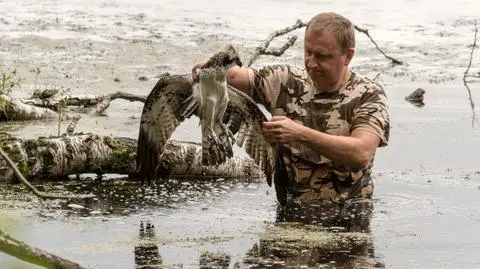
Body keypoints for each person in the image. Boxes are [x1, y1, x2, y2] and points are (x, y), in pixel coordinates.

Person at [192, 12, 389, 206]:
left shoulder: (368, 95)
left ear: (348, 56)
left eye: (321, 56)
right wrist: (212, 67)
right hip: (290, 212)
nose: (311, 63)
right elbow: (236, 77)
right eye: (308, 52)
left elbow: (361, 153)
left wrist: (298, 133)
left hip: (349, 217)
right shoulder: (286, 81)